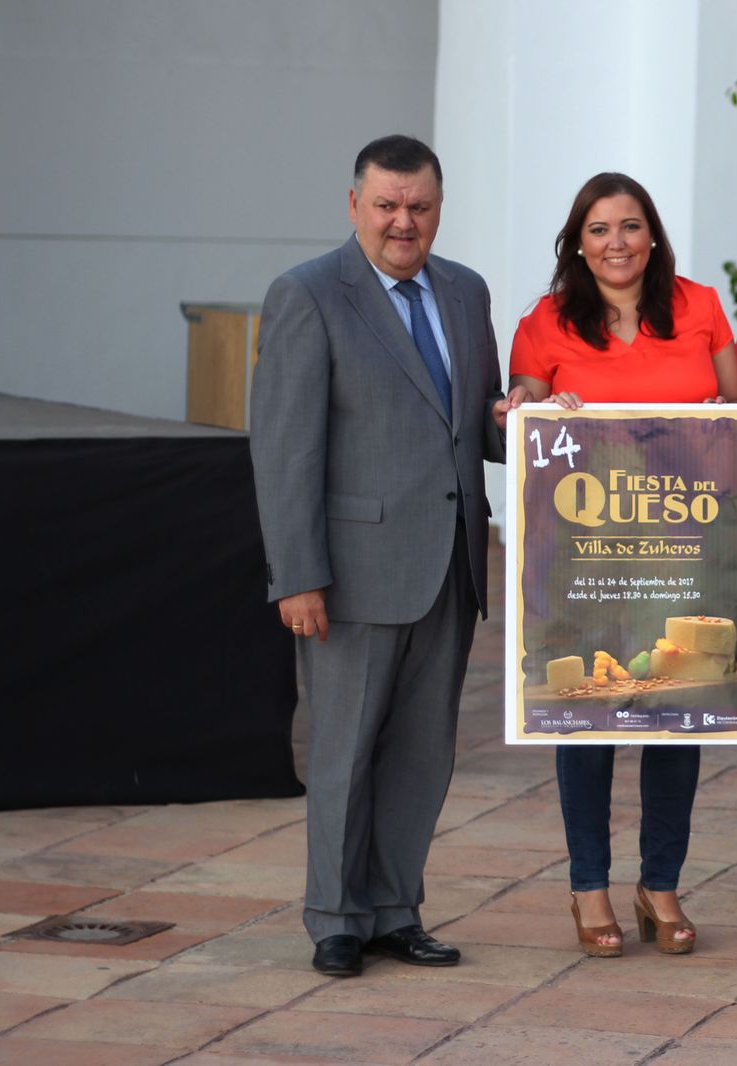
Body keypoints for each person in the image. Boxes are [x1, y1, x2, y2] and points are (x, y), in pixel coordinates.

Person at [250, 135, 512, 978]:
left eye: (421, 206)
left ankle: (396, 909)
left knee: (421, 753)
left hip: (450, 566)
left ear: (439, 207)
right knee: (343, 752)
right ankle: (334, 918)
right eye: (388, 205)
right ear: (355, 205)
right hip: (352, 576)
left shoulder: (466, 293)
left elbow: (476, 424)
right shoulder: (307, 296)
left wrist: (530, 415)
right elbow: (285, 450)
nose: (405, 221)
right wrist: (297, 575)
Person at [508, 172, 737, 957]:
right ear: (578, 240)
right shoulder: (544, 323)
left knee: (675, 719)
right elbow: (519, 425)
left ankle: (660, 885)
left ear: (653, 236)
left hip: (686, 550)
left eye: (631, 226)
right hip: (587, 560)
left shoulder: (702, 307)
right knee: (588, 720)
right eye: (601, 228)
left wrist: (723, 421)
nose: (617, 242)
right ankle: (589, 890)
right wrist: (535, 411)